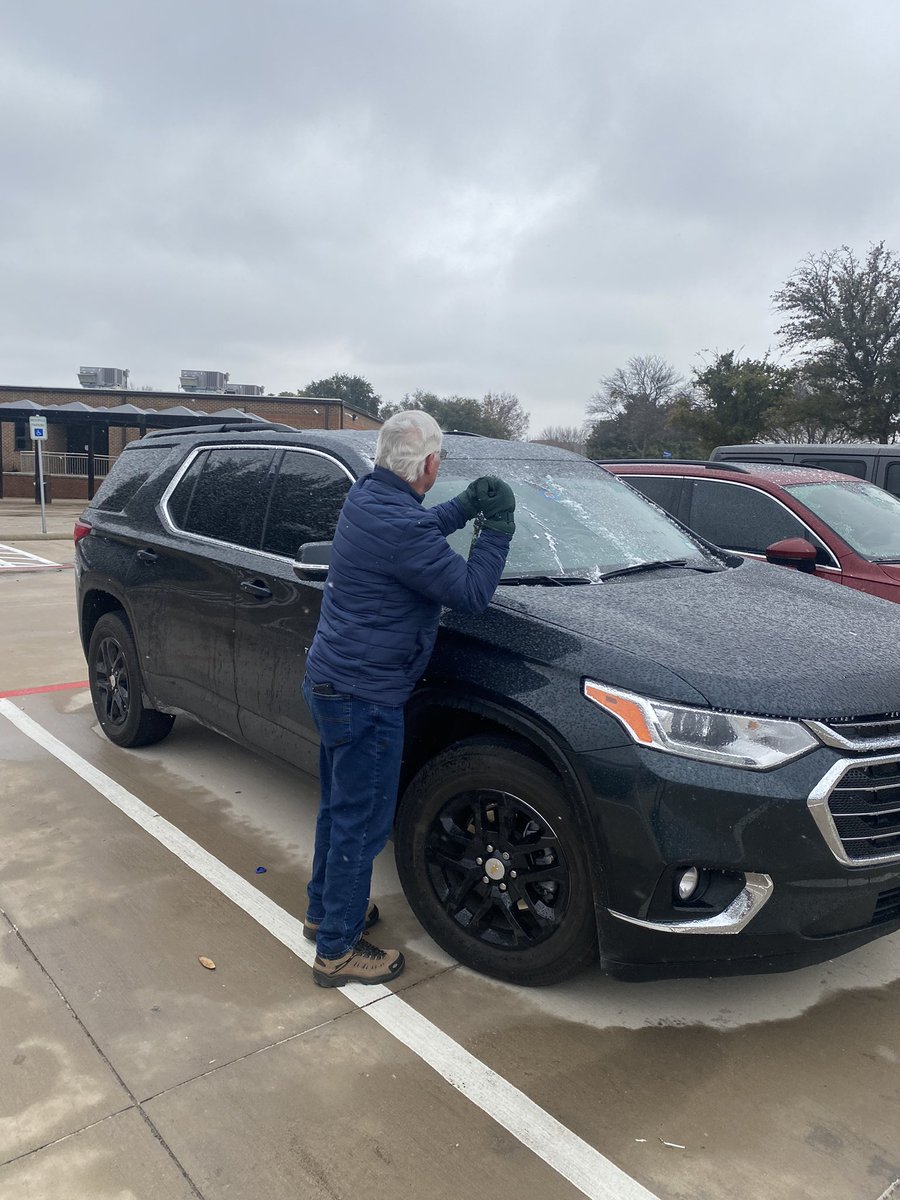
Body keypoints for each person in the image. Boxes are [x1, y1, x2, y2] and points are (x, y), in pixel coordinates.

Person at [301, 410, 515, 987]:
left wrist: (464, 506)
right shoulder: (402, 525)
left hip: (332, 681)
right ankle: (339, 951)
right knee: (363, 824)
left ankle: (325, 914)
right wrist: (496, 528)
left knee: (339, 809)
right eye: (437, 460)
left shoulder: (368, 499)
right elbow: (472, 593)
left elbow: (413, 530)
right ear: (425, 464)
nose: (439, 469)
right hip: (365, 694)